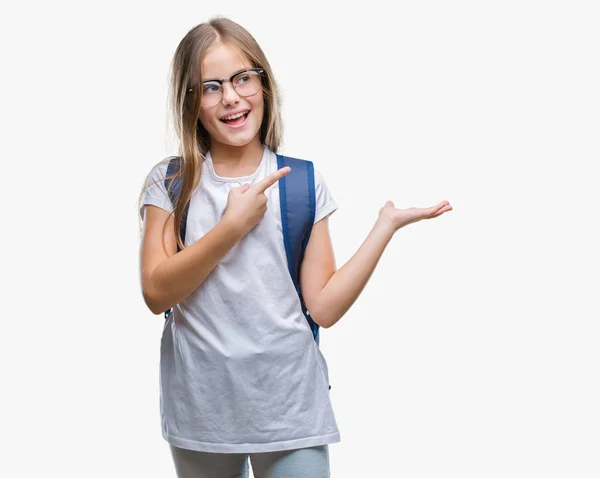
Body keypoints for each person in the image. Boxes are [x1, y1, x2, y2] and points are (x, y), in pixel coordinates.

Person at [138, 16, 452, 478]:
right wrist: (231, 227)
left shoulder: (302, 182)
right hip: (202, 413)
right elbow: (155, 293)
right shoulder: (170, 182)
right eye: (210, 86)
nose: (231, 97)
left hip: (290, 410)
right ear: (190, 101)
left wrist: (384, 228)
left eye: (243, 78)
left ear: (263, 83)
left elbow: (322, 306)